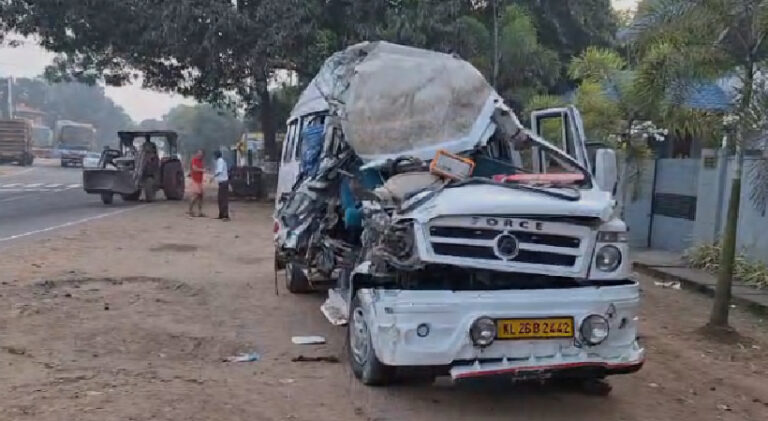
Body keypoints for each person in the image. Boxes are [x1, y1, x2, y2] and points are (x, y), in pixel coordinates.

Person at [213, 150, 230, 221]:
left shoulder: (220, 161)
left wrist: (213, 176)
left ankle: (225, 215)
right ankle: (221, 214)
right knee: (221, 199)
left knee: (223, 199)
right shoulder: (220, 161)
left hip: (223, 182)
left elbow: (219, 171)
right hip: (222, 183)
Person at [188, 149, 205, 217]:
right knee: (195, 196)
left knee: (201, 196)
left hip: (200, 180)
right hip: (195, 180)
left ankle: (200, 212)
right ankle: (190, 210)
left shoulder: (201, 161)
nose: (200, 155)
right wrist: (202, 170)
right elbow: (194, 168)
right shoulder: (194, 160)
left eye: (201, 154)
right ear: (197, 154)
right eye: (199, 153)